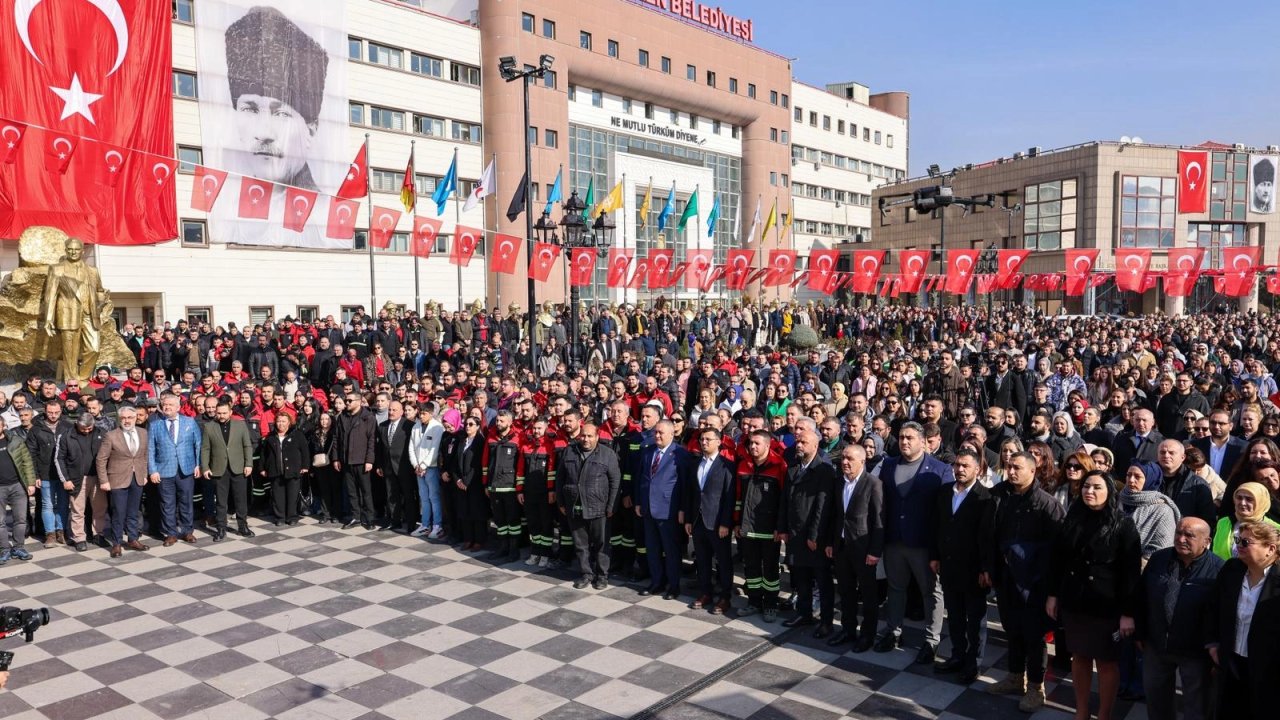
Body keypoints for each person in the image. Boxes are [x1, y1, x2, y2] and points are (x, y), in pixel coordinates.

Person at [1046, 470, 1142, 720]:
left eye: (1097, 487)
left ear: (1110, 491)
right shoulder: (1073, 518)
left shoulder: (1123, 524)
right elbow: (1058, 560)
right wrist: (1054, 595)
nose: (1090, 491)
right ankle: (1082, 711)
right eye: (1087, 486)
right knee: (1079, 656)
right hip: (1076, 602)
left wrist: (1128, 614)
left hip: (1107, 605)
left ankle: (1105, 714)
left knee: (1107, 663)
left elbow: (1131, 573)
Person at [986, 451, 1064, 713]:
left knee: (1034, 635)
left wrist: (1050, 588)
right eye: (1009, 467)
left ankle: (1035, 687)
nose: (1012, 471)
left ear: (1033, 471)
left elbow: (1056, 550)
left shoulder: (1047, 504)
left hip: (1034, 583)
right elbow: (990, 534)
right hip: (1006, 578)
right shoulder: (1000, 495)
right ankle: (1014, 676)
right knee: (1013, 630)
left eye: (1018, 467)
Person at [874, 421, 951, 664]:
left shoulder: (940, 470)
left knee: (931, 592)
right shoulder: (888, 464)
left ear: (922, 441)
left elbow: (945, 512)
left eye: (910, 438)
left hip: (923, 544)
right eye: (902, 437)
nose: (904, 442)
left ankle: (931, 640)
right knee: (895, 588)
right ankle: (894, 631)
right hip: (894, 540)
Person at [1134, 517, 1223, 720]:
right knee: (1156, 699)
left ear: (1207, 541)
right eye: (1178, 533)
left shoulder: (1218, 569)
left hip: (1195, 651)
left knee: (1196, 705)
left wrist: (1214, 645)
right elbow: (1141, 595)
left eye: (1189, 535)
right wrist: (1140, 631)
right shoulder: (1159, 559)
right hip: (1157, 645)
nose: (1181, 539)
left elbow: (1220, 613)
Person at [931, 447, 995, 685]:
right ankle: (957, 655)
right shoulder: (945, 492)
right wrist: (935, 556)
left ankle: (973, 662)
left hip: (973, 571)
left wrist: (984, 569)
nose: (959, 469)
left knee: (975, 619)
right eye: (957, 465)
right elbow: (937, 526)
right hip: (948, 566)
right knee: (955, 616)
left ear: (977, 470)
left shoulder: (985, 498)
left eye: (965, 466)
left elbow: (986, 537)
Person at [1205, 520, 1280, 720]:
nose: (1238, 546)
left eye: (1246, 542)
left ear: (1270, 549)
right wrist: (1213, 644)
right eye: (1238, 540)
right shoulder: (1232, 570)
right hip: (1230, 661)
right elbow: (1214, 608)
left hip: (1266, 670)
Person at [783, 420, 837, 636]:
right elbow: (785, 501)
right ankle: (804, 613)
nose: (799, 445)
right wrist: (783, 528)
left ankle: (826, 621)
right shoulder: (794, 467)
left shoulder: (824, 470)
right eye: (798, 442)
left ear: (815, 446)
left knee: (822, 580)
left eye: (804, 442)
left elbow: (822, 506)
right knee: (801, 577)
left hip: (814, 536)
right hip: (795, 532)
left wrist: (814, 535)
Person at [827, 444, 884, 651]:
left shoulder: (873, 484)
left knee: (868, 595)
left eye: (850, 458)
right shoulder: (838, 483)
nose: (844, 462)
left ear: (862, 461)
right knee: (846, 591)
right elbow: (835, 516)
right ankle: (848, 629)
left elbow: (878, 520)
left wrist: (875, 551)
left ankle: (867, 635)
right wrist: (830, 543)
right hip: (842, 546)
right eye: (843, 458)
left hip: (864, 548)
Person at [557, 422, 620, 589]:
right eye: (583, 436)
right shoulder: (569, 451)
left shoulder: (608, 454)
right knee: (580, 545)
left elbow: (615, 482)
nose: (585, 439)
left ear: (597, 437)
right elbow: (560, 478)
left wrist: (611, 506)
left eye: (590, 436)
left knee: (601, 544)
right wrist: (561, 502)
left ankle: (602, 576)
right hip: (574, 507)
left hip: (598, 507)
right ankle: (586, 574)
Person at [682, 427, 736, 614]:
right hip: (698, 521)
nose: (703, 442)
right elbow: (692, 493)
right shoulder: (696, 464)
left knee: (723, 561)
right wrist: (689, 519)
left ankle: (724, 597)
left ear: (719, 441)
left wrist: (725, 523)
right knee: (703, 560)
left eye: (708, 439)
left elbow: (729, 498)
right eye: (702, 439)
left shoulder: (726, 465)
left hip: (717, 523)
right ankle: (705, 592)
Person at [636, 420, 692, 600]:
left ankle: (673, 585)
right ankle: (657, 582)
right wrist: (639, 501)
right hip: (648, 509)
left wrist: (683, 508)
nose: (657, 436)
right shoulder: (648, 452)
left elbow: (684, 485)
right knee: (652, 549)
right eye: (655, 433)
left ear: (671, 434)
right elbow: (642, 478)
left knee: (671, 550)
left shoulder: (680, 454)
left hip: (668, 510)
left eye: (661, 433)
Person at [736, 429, 788, 620]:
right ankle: (754, 602)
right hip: (747, 527)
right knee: (751, 568)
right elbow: (738, 498)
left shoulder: (778, 466)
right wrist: (737, 522)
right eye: (751, 443)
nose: (752, 446)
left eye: (757, 443)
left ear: (767, 445)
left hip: (769, 530)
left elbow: (784, 500)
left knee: (771, 569)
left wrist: (780, 527)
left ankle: (771, 604)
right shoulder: (743, 465)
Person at [41, 237, 108, 382]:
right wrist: (48, 319)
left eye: (76, 249)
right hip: (67, 313)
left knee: (94, 348)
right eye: (70, 249)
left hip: (90, 314)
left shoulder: (92, 271)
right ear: (65, 250)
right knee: (70, 352)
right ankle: (72, 381)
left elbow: (100, 290)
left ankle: (83, 378)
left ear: (82, 251)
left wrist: (100, 304)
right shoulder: (57, 269)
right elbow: (50, 296)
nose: (73, 252)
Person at [95, 406, 151, 558]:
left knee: (134, 511)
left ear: (135, 418)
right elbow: (101, 459)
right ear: (120, 419)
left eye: (130, 418)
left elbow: (144, 455)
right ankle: (117, 543)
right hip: (117, 479)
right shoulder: (111, 435)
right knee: (119, 513)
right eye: (124, 418)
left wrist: (144, 474)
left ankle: (133, 539)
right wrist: (104, 480)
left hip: (137, 477)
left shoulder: (143, 433)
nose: (127, 421)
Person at [148, 394, 202, 547]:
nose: (167, 407)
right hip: (164, 471)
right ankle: (170, 533)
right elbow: (150, 449)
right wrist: (153, 470)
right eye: (165, 404)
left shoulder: (189, 422)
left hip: (186, 469)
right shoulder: (155, 425)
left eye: (171, 404)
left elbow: (198, 445)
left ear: (178, 407)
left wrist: (198, 465)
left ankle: (187, 531)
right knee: (167, 504)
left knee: (186, 502)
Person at [199, 400, 255, 541]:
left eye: (224, 413)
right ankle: (221, 529)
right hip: (218, 469)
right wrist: (205, 467)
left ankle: (243, 526)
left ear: (230, 412)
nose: (221, 415)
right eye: (219, 413)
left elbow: (247, 446)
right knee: (221, 502)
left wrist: (249, 464)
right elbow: (205, 449)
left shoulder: (240, 425)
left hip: (238, 468)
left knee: (240, 499)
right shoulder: (209, 427)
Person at [54, 413, 107, 552]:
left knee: (100, 509)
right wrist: (65, 479)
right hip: (77, 479)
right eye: (84, 428)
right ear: (77, 423)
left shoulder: (102, 433)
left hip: (98, 477)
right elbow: (59, 459)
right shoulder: (66, 436)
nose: (87, 431)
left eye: (89, 428)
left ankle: (98, 534)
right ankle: (79, 538)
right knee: (78, 510)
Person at [1119, 462, 1181, 561]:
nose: (1131, 480)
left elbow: (1161, 547)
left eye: (1137, 477)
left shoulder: (1162, 510)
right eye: (1128, 475)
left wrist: (1136, 566)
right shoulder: (1117, 500)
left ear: (1150, 479)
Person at [334, 392, 377, 530]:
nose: (347, 403)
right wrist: (336, 458)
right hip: (346, 460)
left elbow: (372, 440)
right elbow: (337, 439)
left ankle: (369, 518)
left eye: (349, 401)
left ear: (358, 402)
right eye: (346, 400)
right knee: (351, 491)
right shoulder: (342, 417)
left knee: (366, 491)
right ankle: (355, 517)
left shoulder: (368, 417)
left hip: (362, 460)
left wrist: (369, 460)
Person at [376, 400, 417, 534]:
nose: (391, 412)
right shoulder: (382, 426)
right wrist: (379, 465)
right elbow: (380, 448)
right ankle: (395, 521)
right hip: (388, 467)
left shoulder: (409, 425)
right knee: (391, 496)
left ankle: (411, 523)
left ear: (401, 411)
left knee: (408, 496)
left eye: (394, 410)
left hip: (404, 467)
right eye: (390, 410)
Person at [1211, 481, 1280, 559]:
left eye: (1249, 499)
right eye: (1239, 498)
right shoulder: (1223, 522)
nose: (1243, 503)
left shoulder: (1275, 530)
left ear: (1261, 502)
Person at [261, 413, 308, 525]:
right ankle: (280, 517)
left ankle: (292, 517)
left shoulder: (297, 434)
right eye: (278, 421)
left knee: (292, 495)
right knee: (278, 496)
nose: (281, 424)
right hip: (275, 470)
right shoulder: (270, 436)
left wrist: (305, 466)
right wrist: (262, 468)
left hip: (293, 470)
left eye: (283, 421)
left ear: (289, 422)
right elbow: (264, 454)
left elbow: (305, 451)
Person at [0, 421, 37, 563]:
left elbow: (27, 462)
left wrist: (31, 483)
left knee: (21, 519)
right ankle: (4, 549)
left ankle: (18, 547)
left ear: (3, 426)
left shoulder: (16, 441)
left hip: (17, 485)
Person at [408, 402, 446, 539]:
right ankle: (425, 525)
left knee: (434, 497)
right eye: (420, 413)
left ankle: (437, 525)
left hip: (431, 468)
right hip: (418, 468)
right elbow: (411, 447)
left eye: (424, 413)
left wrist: (424, 465)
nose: (421, 416)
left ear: (431, 413)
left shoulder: (437, 427)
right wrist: (416, 465)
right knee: (423, 497)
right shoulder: (416, 426)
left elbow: (434, 449)